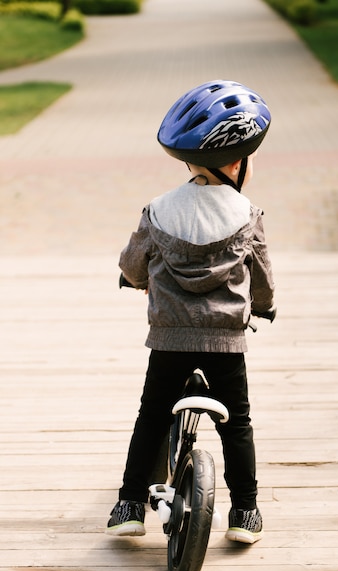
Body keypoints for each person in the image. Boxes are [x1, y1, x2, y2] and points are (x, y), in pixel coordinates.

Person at [106, 80, 275, 544]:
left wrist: (135, 280)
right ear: (238, 162)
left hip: (169, 341)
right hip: (226, 344)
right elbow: (260, 275)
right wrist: (264, 305)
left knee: (152, 415)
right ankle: (245, 512)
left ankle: (129, 505)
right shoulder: (247, 213)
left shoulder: (158, 210)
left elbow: (132, 262)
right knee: (236, 422)